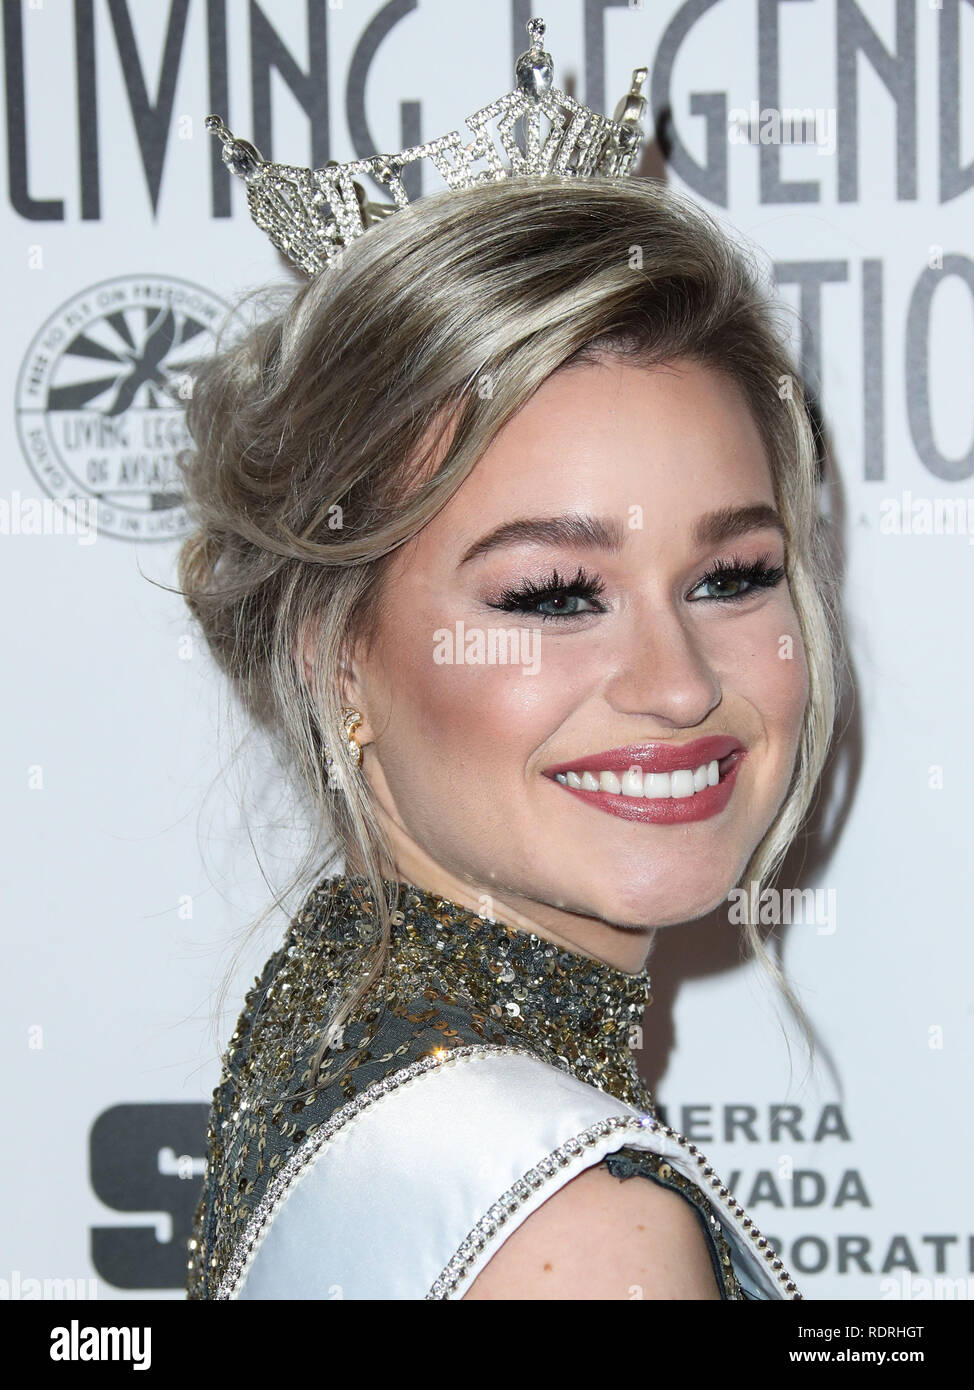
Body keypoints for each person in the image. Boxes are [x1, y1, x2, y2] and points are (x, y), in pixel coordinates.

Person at [179, 17, 841, 1300]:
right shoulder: (576, 1230)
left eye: (730, 575)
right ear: (332, 656)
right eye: (550, 593)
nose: (679, 683)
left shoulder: (340, 1029)